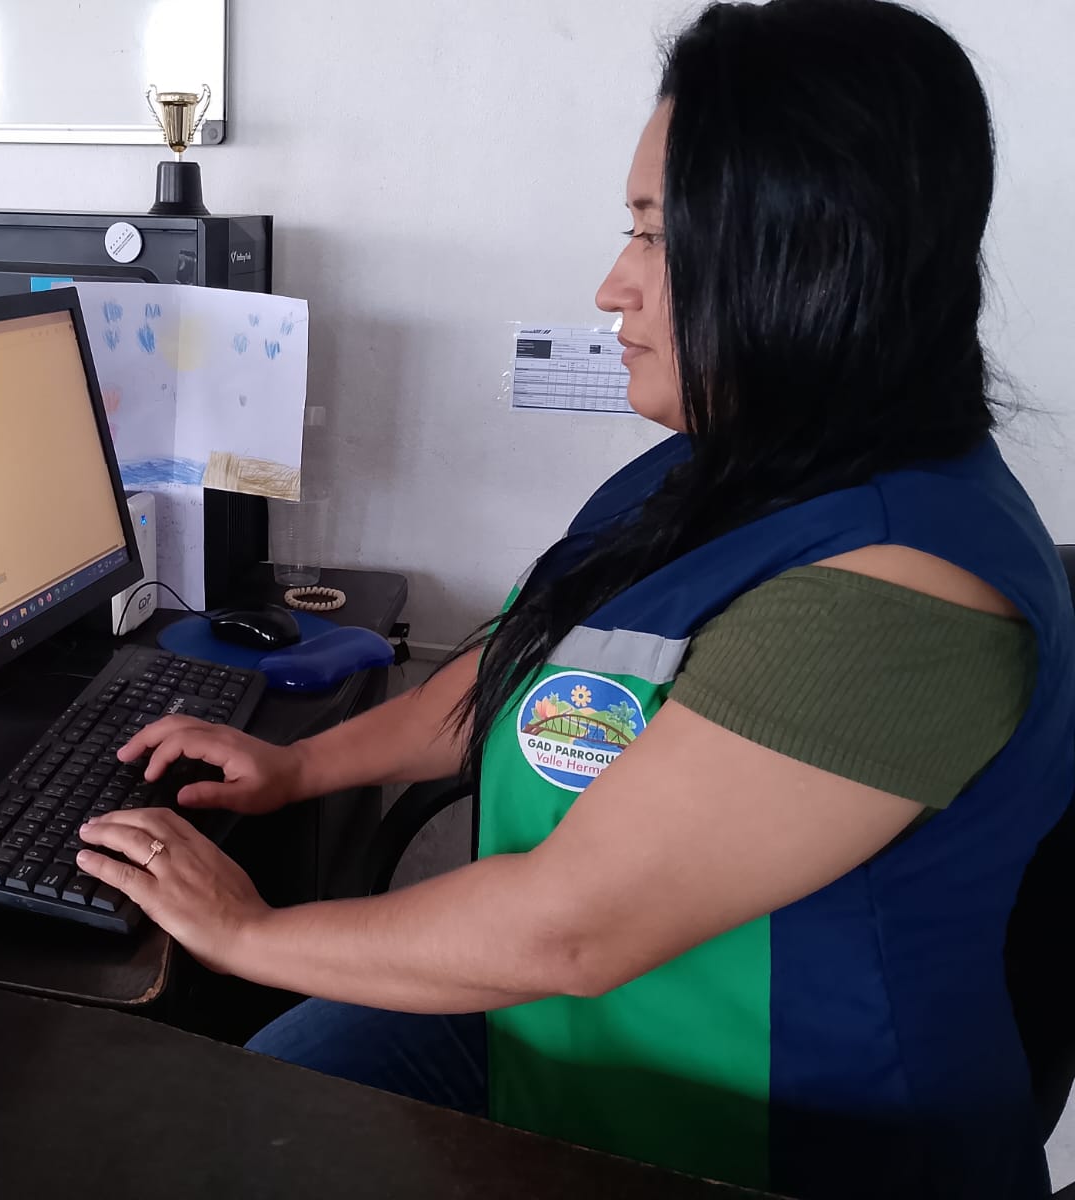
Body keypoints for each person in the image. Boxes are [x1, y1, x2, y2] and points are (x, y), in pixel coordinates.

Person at [74, 1, 1075, 1195]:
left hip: (761, 1136)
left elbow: (569, 929)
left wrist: (245, 933)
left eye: (655, 235)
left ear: (805, 253)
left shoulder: (901, 594)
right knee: (224, 1118)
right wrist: (298, 769)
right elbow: (519, 671)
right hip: (568, 1041)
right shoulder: (709, 470)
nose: (612, 287)